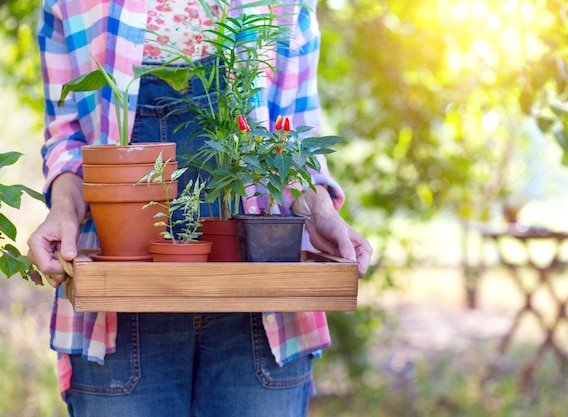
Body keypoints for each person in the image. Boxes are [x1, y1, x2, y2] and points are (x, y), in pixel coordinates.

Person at [27, 0, 372, 416]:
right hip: (119, 296)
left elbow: (293, 140)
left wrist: (321, 214)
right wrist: (62, 210)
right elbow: (67, 142)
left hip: (262, 297)